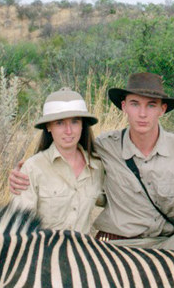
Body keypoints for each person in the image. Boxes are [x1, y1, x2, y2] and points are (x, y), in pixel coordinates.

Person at [10, 72, 174, 256]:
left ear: (162, 109)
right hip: (120, 248)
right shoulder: (105, 147)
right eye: (135, 104)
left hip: (170, 243)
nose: (142, 114)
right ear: (124, 107)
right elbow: (65, 156)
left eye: (151, 105)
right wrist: (21, 175)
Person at [10, 88, 105, 232]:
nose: (68, 130)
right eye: (60, 123)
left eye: (75, 122)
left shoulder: (97, 166)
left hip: (83, 252)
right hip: (44, 252)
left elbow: (114, 200)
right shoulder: (32, 168)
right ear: (48, 126)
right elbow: (21, 228)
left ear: (82, 125)